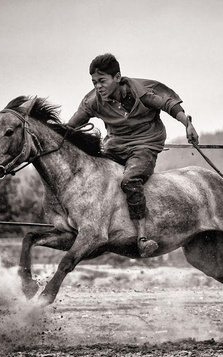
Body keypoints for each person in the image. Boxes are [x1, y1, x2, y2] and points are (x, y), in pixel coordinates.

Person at [67, 53, 199, 257]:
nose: (98, 87)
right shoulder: (93, 101)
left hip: (144, 146)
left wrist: (187, 124)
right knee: (95, 178)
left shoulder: (142, 93)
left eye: (102, 81)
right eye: (94, 82)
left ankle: (143, 237)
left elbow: (168, 105)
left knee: (129, 179)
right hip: (114, 147)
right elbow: (70, 126)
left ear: (117, 77)